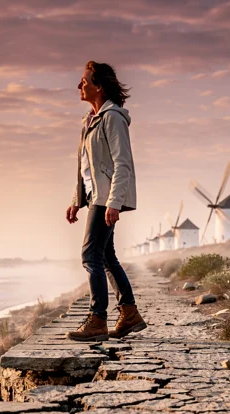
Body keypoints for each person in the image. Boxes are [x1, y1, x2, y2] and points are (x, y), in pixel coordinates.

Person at [65, 61, 146, 342]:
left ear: (99, 87)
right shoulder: (89, 120)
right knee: (107, 256)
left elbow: (122, 164)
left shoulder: (113, 118)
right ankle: (129, 313)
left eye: (84, 81)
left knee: (91, 256)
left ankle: (98, 319)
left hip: (106, 198)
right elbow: (84, 166)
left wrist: (114, 202)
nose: (79, 86)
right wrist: (77, 199)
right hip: (95, 197)